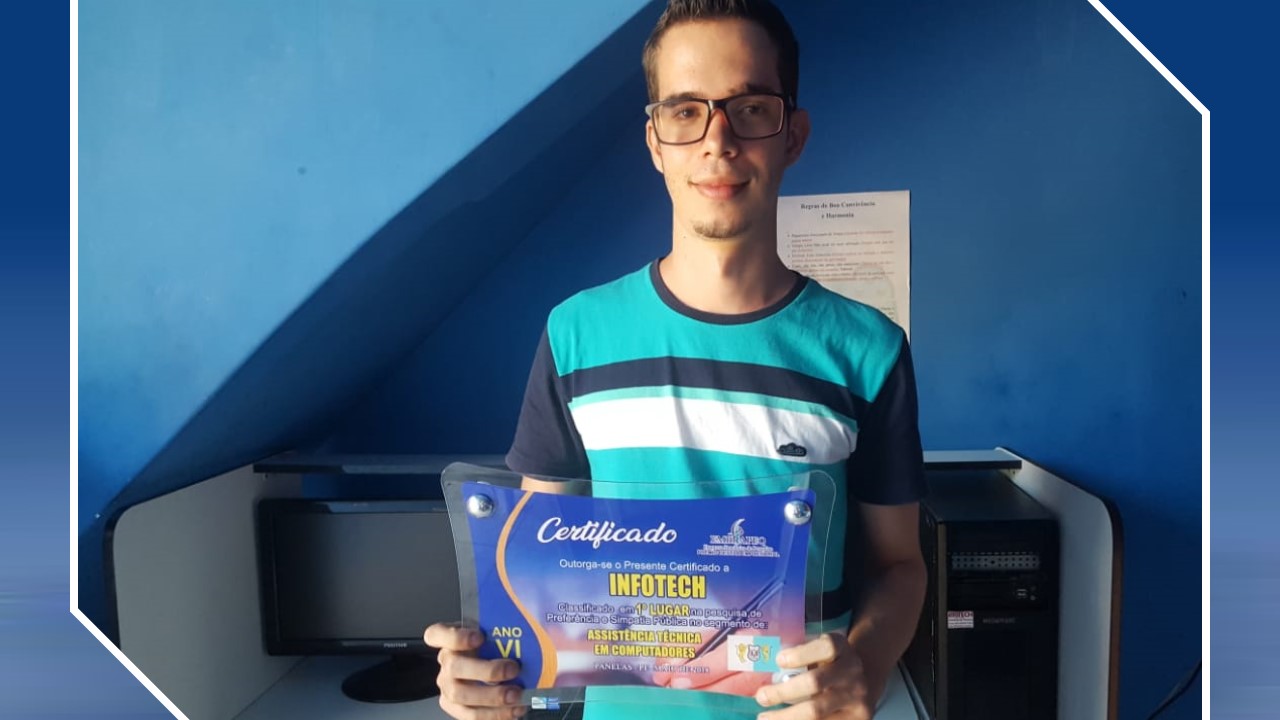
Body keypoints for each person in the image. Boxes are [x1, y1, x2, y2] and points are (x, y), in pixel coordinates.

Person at [425, 1, 926, 718]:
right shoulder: (575, 335)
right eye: (686, 112)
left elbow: (900, 566)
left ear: (793, 135)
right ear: (656, 141)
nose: (718, 142)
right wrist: (489, 677)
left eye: (750, 109)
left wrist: (868, 671)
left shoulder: (868, 348)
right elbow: (540, 575)